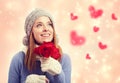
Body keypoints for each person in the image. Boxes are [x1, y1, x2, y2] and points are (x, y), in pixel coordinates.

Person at [8, 8, 71, 83]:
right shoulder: (19, 59)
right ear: (31, 32)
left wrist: (58, 73)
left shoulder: (64, 59)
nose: (46, 29)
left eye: (49, 24)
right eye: (39, 25)